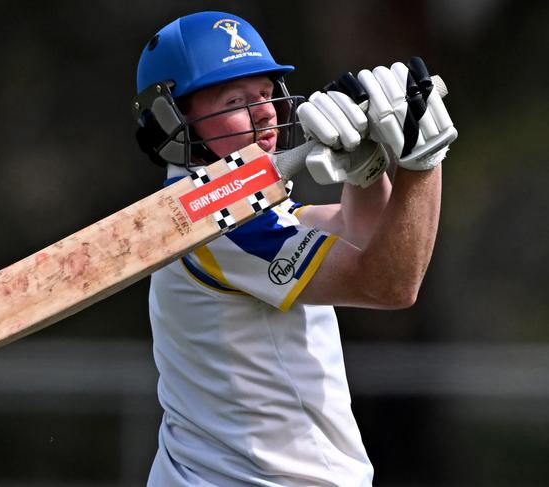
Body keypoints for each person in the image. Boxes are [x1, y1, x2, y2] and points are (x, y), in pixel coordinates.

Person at [132, 11, 457, 487]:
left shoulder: (237, 213)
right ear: (173, 121)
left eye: (265, 93)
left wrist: (363, 173)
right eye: (235, 99)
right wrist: (423, 163)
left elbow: (358, 233)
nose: (264, 111)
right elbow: (389, 283)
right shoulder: (215, 223)